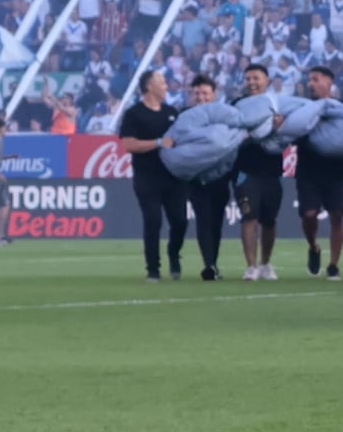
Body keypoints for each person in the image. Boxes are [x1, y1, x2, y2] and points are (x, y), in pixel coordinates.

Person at [115, 70, 186, 281]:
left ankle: (174, 254)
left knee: (180, 221)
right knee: (153, 221)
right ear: (149, 86)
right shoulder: (134, 114)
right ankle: (153, 269)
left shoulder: (172, 112)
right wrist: (157, 143)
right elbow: (129, 144)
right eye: (162, 82)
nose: (166, 86)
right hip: (147, 176)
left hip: (173, 176)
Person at [294, 64, 343, 278]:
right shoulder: (301, 109)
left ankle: (334, 264)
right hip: (308, 170)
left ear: (329, 82)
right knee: (309, 215)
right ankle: (313, 247)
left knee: (337, 215)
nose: (311, 84)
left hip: (336, 169)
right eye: (309, 80)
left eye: (316, 79)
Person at [230, 63, 286, 280]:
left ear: (267, 81)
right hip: (245, 172)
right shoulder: (237, 105)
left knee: (269, 221)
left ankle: (266, 264)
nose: (252, 83)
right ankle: (251, 266)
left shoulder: (278, 105)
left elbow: (286, 137)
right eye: (248, 79)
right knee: (248, 217)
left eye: (256, 78)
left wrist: (279, 127)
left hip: (272, 171)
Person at [174, 75, 232, 281]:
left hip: (220, 176)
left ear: (214, 95)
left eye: (205, 93)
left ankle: (212, 263)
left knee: (216, 221)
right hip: (196, 178)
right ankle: (209, 264)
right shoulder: (184, 116)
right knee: (203, 218)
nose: (200, 97)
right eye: (197, 93)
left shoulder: (224, 115)